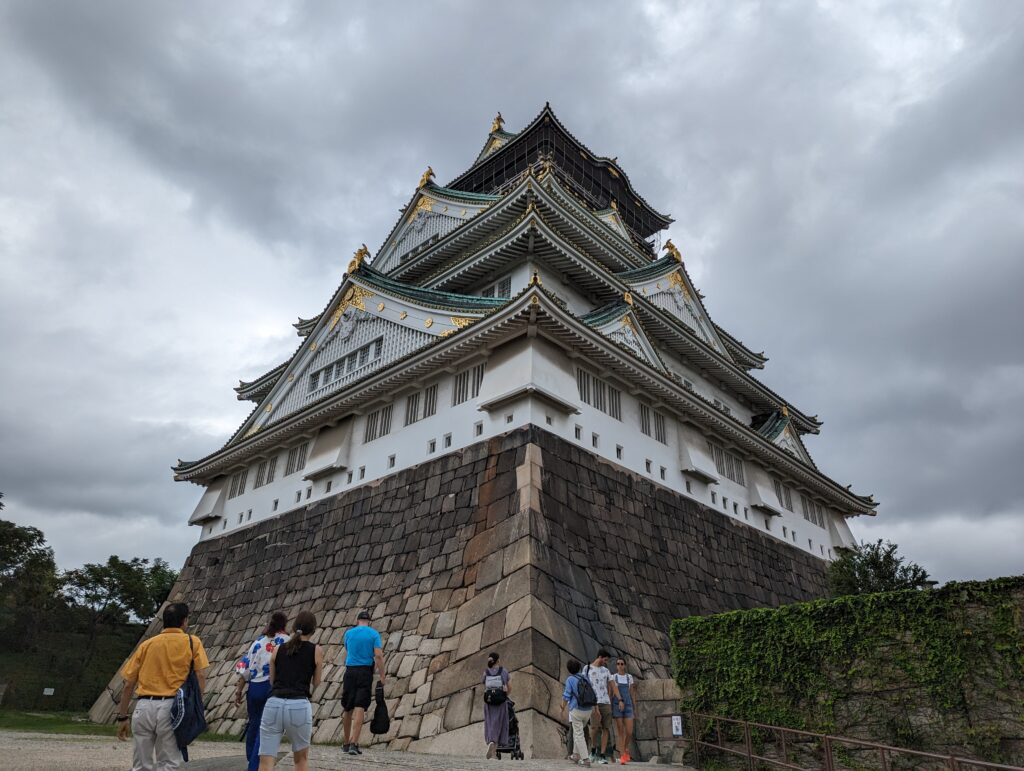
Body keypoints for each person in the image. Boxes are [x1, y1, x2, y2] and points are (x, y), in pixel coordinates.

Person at [115, 602, 210, 771]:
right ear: (184, 621)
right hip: (172, 708)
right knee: (168, 763)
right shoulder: (192, 642)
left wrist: (122, 716)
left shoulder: (147, 645)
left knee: (140, 765)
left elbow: (128, 683)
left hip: (143, 706)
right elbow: (200, 675)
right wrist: (196, 705)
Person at [258, 611, 323, 771]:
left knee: (265, 762)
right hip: (298, 704)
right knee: (300, 760)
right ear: (313, 629)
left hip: (274, 704)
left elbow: (272, 681)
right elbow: (316, 682)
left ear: (293, 627)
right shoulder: (316, 650)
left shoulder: (278, 649)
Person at [235, 611, 290, 771]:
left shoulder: (258, 642)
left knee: (254, 724)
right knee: (265, 729)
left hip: (254, 688)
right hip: (271, 687)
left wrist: (239, 690)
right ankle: (255, 765)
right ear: (284, 625)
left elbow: (244, 668)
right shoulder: (287, 641)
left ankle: (250, 758)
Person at [341, 609, 385, 756]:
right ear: (369, 622)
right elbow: (378, 656)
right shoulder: (374, 634)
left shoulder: (349, 634)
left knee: (347, 708)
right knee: (360, 706)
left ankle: (346, 743)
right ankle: (354, 743)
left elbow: (347, 650)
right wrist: (382, 675)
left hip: (350, 671)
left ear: (357, 621)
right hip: (365, 672)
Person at [586, 648, 621, 764]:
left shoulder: (606, 671)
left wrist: (620, 699)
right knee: (594, 728)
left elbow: (613, 685)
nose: (606, 662)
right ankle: (593, 750)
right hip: (593, 702)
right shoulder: (587, 668)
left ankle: (602, 755)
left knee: (606, 728)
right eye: (605, 660)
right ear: (600, 657)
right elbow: (584, 685)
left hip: (605, 702)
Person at [560, 659, 592, 767]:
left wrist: (562, 707)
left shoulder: (570, 679)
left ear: (569, 669)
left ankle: (585, 759)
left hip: (577, 709)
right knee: (578, 731)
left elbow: (566, 695)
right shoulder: (585, 677)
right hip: (588, 709)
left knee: (578, 734)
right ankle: (575, 755)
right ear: (579, 667)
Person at [482, 651, 511, 758]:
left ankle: (491, 743)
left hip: (489, 702)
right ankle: (493, 747)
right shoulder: (504, 671)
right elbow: (509, 687)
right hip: (500, 701)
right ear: (498, 660)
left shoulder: (486, 672)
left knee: (490, 722)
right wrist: (505, 695)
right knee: (499, 723)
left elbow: (484, 685)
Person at [611, 657, 637, 765]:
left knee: (629, 731)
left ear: (625, 665)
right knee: (620, 730)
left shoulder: (629, 677)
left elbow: (632, 693)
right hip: (617, 704)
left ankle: (625, 748)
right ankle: (622, 755)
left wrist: (634, 707)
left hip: (628, 705)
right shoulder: (613, 677)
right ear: (616, 666)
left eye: (622, 664)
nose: (620, 666)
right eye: (618, 664)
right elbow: (612, 692)